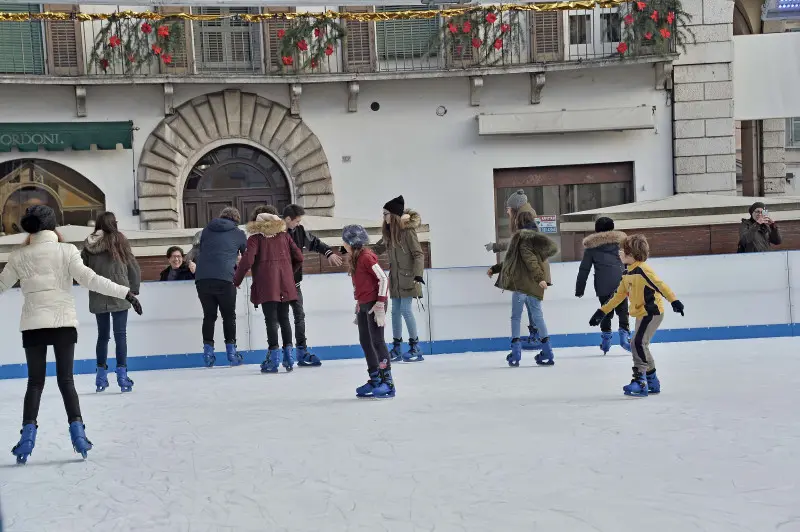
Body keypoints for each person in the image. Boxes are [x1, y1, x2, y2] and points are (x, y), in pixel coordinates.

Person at [2, 205, 142, 464]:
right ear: (53, 225)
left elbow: (1, 284)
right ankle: (78, 434)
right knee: (66, 381)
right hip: (63, 324)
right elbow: (92, 279)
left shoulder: (19, 255)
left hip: (33, 325)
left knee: (35, 383)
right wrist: (125, 292)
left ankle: (26, 437)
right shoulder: (66, 251)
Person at [589, 234, 685, 397]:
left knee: (638, 343)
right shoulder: (627, 273)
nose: (619, 253)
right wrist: (602, 312)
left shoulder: (642, 270)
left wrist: (674, 301)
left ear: (631, 254)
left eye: (622, 250)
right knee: (640, 344)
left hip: (652, 312)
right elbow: (618, 296)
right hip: (642, 314)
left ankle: (640, 381)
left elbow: (660, 285)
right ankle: (652, 381)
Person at [234, 212, 303, 373]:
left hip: (266, 285)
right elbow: (299, 257)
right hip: (285, 284)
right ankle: (288, 357)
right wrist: (287, 273)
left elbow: (247, 261)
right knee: (284, 318)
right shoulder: (285, 237)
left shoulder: (255, 239)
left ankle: (274, 359)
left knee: (271, 320)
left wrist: (236, 280)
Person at [81, 212, 142, 393]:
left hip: (98, 291)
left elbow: (82, 269)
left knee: (103, 336)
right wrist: (134, 288)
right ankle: (122, 376)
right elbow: (132, 264)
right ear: (113, 223)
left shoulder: (89, 244)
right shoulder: (119, 239)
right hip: (120, 291)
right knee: (120, 335)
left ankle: (101, 375)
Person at [488, 210, 558, 367]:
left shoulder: (522, 239)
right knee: (538, 317)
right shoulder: (539, 240)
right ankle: (547, 351)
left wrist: (540, 278)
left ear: (518, 223)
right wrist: (495, 268)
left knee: (516, 317)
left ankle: (516, 351)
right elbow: (516, 260)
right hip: (534, 287)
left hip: (522, 286)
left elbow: (529, 259)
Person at [283, 203, 343, 367]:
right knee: (280, 319)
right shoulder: (277, 234)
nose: (298, 224)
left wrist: (328, 252)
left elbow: (314, 242)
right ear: (288, 219)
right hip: (279, 284)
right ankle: (283, 352)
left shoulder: (299, 231)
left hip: (294, 283)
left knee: (299, 316)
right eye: (296, 221)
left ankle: (301, 351)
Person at [484, 189, 542, 351]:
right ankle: (535, 338)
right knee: (530, 307)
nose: (507, 211)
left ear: (515, 208)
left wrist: (496, 250)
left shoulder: (526, 222)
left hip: (529, 273)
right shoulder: (525, 221)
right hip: (529, 272)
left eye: (508, 208)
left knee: (528, 308)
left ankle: (534, 338)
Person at [343, 224, 395, 398]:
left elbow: (383, 278)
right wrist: (359, 302)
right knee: (366, 341)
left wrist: (380, 303)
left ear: (351, 242)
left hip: (375, 304)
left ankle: (388, 382)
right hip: (364, 304)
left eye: (344, 241)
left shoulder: (366, 257)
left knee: (377, 341)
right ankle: (375, 379)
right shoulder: (355, 258)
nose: (343, 244)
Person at [373, 195, 425, 362]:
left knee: (405, 310)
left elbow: (418, 254)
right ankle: (396, 347)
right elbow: (377, 249)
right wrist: (357, 252)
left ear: (394, 215)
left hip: (410, 278)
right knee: (395, 312)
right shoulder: (389, 234)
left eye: (386, 213)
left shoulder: (408, 232)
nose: (384, 217)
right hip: (395, 279)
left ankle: (415, 346)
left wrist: (418, 274)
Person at [194, 206, 247, 368]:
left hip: (202, 278)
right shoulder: (239, 233)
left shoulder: (206, 231)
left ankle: (208, 354)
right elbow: (246, 257)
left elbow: (202, 250)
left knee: (209, 316)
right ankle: (231, 354)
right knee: (229, 316)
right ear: (236, 220)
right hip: (225, 278)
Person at [574, 216, 631, 354]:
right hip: (621, 283)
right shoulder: (622, 245)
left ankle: (606, 341)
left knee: (605, 310)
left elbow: (584, 270)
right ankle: (624, 338)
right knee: (623, 310)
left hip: (602, 285)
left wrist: (579, 289)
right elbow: (629, 263)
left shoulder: (592, 249)